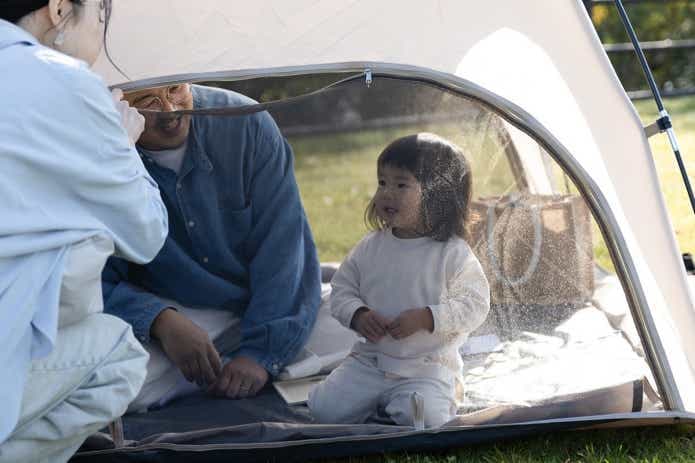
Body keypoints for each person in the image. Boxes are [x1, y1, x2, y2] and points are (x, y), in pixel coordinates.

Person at [0, 0, 169, 461]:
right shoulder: (65, 82)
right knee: (118, 354)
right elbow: (146, 235)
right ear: (59, 9)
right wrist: (122, 144)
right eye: (101, 16)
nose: (101, 37)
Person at [102, 83, 322, 409]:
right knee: (109, 389)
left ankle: (236, 360)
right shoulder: (101, 150)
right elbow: (89, 277)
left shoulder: (246, 122)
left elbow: (284, 247)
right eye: (149, 102)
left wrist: (260, 355)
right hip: (168, 313)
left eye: (175, 90)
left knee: (370, 337)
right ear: (118, 104)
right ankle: (219, 366)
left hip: (261, 301)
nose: (170, 111)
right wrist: (159, 320)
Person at [308, 133, 490, 428]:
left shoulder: (452, 252)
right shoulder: (371, 247)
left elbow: (476, 304)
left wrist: (428, 318)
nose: (386, 193)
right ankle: (384, 402)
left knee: (424, 421)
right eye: (382, 182)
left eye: (400, 184)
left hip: (427, 367)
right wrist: (358, 314)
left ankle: (430, 395)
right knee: (324, 411)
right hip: (371, 361)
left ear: (437, 194)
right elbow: (342, 289)